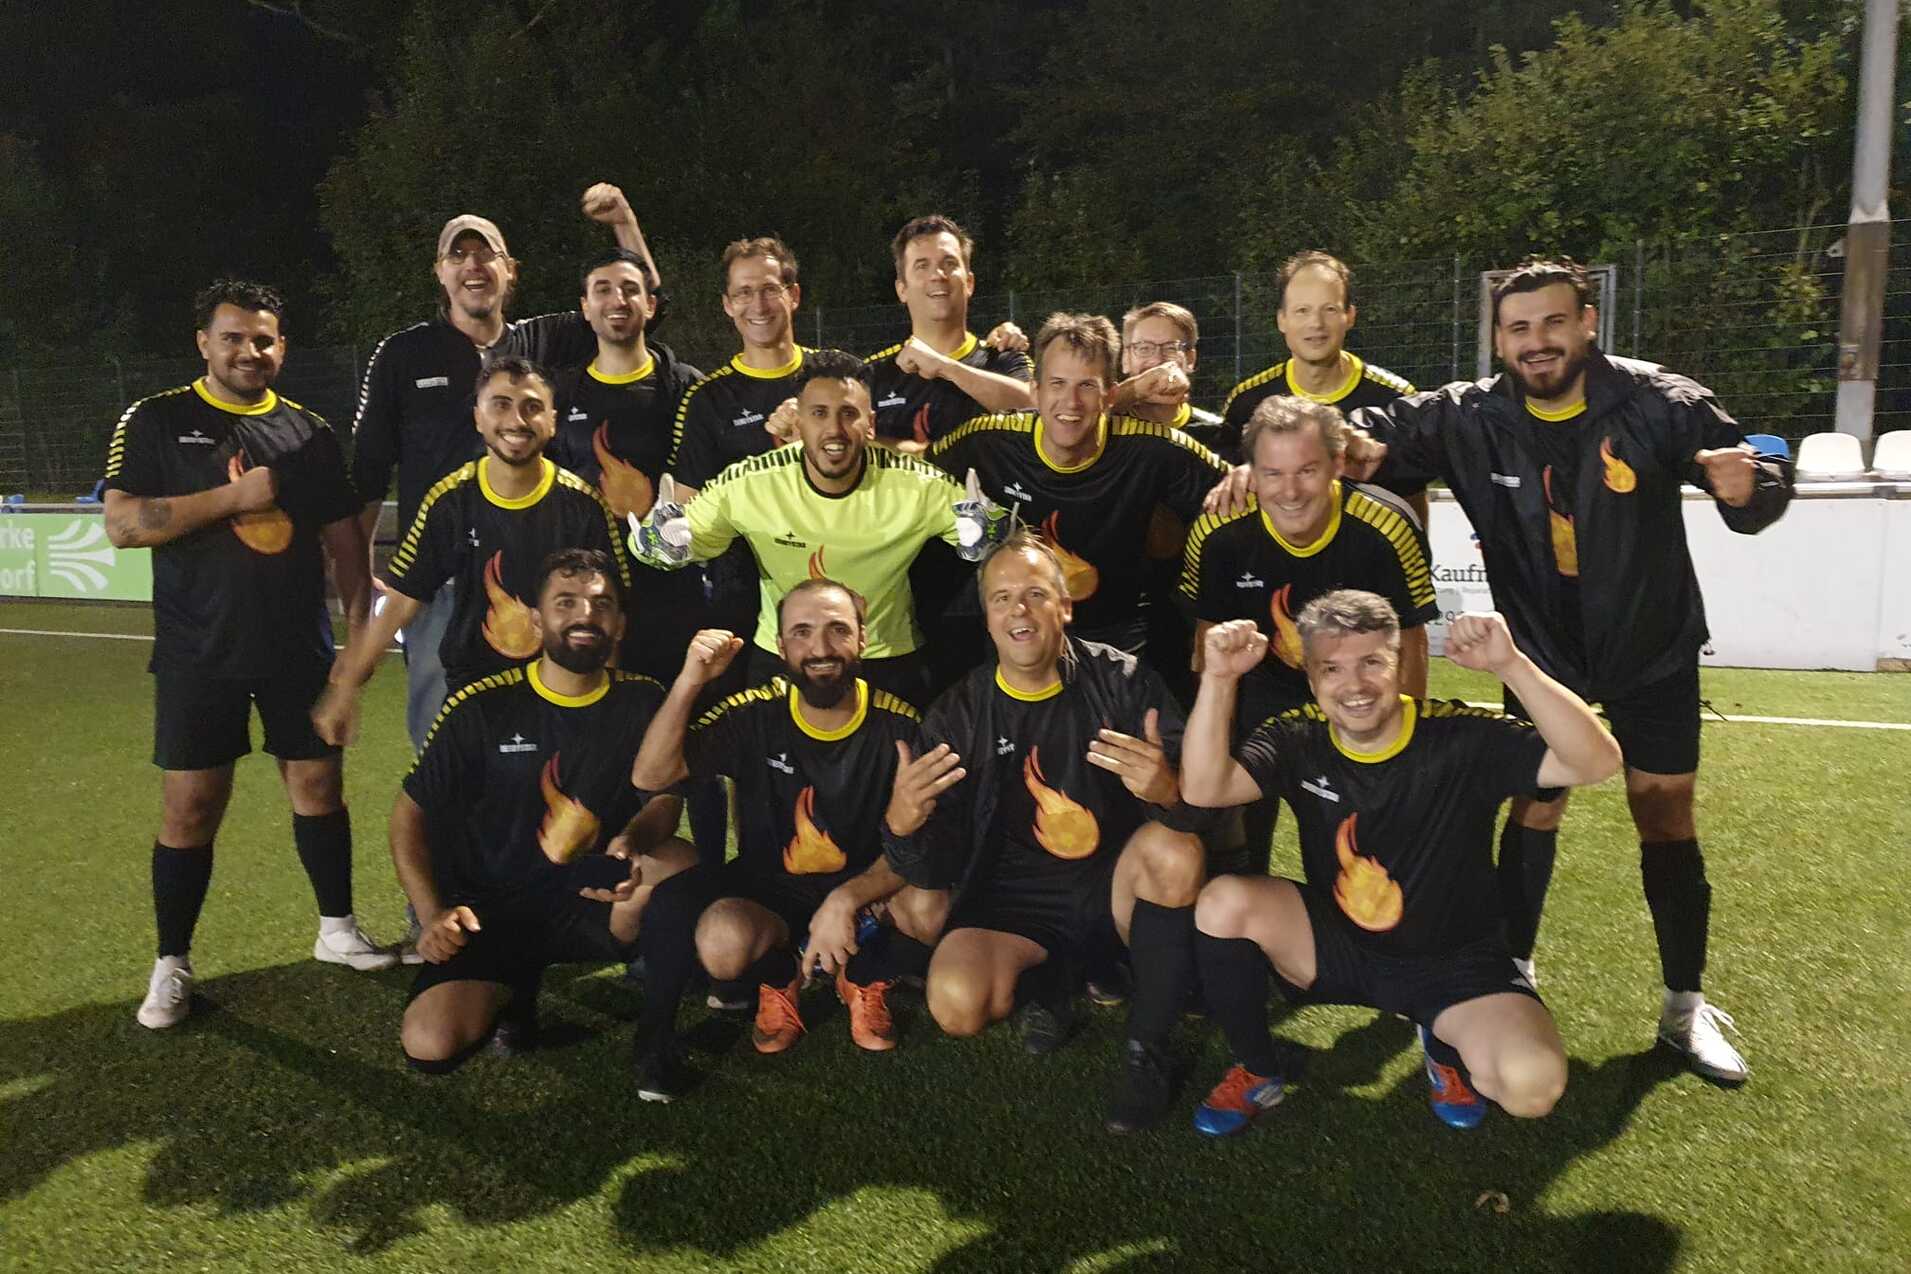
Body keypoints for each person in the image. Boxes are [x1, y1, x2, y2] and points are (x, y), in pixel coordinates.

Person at [1343, 257, 1794, 1083]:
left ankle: (1683, 1010)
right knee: (1533, 807)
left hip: (1648, 650)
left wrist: (1751, 486)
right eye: (1517, 328)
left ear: (1587, 322)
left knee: (1663, 816)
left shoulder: (1659, 402)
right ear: (1497, 338)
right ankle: (1509, 977)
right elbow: (1361, 433)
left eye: (1552, 323)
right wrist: (1301, 442)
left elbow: (1755, 485)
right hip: (1538, 656)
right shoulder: (1463, 416)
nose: (1536, 342)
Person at [1180, 595, 1621, 1133]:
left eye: (1372, 662)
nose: (1355, 685)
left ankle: (1442, 1040)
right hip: (1339, 946)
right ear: (1312, 678)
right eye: (1333, 669)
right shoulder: (1298, 736)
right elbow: (1205, 789)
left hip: (1453, 962)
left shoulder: (1457, 736)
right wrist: (1220, 678)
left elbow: (1596, 760)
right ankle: (1257, 1067)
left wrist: (1511, 664)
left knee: (1532, 1086)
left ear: (1400, 663)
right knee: (1222, 903)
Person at [102, 279, 391, 1030]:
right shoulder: (158, 419)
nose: (249, 351)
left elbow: (347, 553)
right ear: (204, 342)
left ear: (281, 347)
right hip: (200, 654)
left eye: (263, 339)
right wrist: (233, 499)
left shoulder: (311, 434)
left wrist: (352, 661)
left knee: (319, 791)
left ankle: (337, 930)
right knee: (191, 808)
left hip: (300, 653)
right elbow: (124, 525)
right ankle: (172, 961)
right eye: (232, 337)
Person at [883, 531, 1214, 1134]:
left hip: (1112, 885)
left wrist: (1169, 789)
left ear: (1065, 606)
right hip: (1009, 899)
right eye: (1003, 597)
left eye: (1036, 593)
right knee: (955, 1005)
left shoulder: (1125, 681)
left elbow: (1200, 811)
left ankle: (1149, 1049)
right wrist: (902, 825)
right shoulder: (957, 713)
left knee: (1176, 850)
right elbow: (930, 872)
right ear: (986, 617)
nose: (1019, 610)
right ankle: (1055, 981)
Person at [349, 186, 654, 752]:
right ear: (440, 273)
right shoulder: (402, 355)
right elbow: (367, 476)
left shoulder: (547, 339)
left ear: (509, 270)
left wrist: (624, 225)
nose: (473, 265)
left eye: (485, 253)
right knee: (445, 735)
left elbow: (634, 310)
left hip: (541, 573)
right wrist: (356, 580)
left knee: (552, 732)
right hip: (439, 581)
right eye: (458, 255)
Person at [392, 549, 699, 1098]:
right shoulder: (481, 706)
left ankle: (656, 1040)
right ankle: (514, 992)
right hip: (489, 910)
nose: (586, 614)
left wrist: (636, 839)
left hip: (591, 897)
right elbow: (409, 814)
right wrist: (431, 912)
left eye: (601, 604)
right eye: (566, 603)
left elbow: (663, 798)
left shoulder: (642, 698)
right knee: (429, 1041)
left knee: (678, 862)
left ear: (619, 623)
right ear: (536, 620)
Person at [629, 580, 947, 1067]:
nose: (820, 648)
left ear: (863, 639)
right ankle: (781, 978)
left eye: (837, 629)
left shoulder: (900, 726)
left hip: (866, 895)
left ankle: (863, 975)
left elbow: (918, 849)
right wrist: (691, 680)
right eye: (802, 632)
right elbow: (651, 774)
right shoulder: (754, 714)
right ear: (780, 646)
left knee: (933, 906)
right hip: (770, 892)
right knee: (721, 942)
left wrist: (848, 899)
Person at [630, 350, 999, 706]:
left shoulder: (919, 485)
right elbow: (660, 546)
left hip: (886, 660)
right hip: (784, 660)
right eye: (819, 414)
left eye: (848, 414)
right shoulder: (749, 483)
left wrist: (985, 534)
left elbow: (991, 539)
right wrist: (661, 541)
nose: (834, 430)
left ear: (870, 424)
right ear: (799, 421)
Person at [313, 356, 629, 746]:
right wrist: (346, 689)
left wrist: (606, 707)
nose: (516, 421)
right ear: (478, 418)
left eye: (532, 407)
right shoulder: (450, 500)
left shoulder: (581, 506)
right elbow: (402, 601)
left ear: (552, 421)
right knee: (439, 805)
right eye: (501, 405)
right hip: (472, 699)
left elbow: (609, 615)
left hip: (559, 696)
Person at [1181, 395, 1435, 870]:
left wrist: (1405, 751)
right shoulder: (1219, 531)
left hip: (1357, 695)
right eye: (1273, 474)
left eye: (1307, 470)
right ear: (1250, 471)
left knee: (1362, 849)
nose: (1291, 491)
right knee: (1231, 843)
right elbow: (1205, 648)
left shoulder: (1386, 526)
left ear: (1339, 464)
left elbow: (1412, 642)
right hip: (1260, 695)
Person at [930, 313, 1229, 656]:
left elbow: (1244, 499)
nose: (1070, 403)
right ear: (1035, 391)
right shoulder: (986, 440)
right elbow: (916, 471)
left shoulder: (1158, 449)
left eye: (1086, 386)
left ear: (1110, 396)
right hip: (1017, 634)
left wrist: (1249, 476)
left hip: (1120, 639)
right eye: (1057, 384)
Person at [1217, 251, 1421, 521]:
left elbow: (1413, 505)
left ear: (1349, 316)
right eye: (1302, 310)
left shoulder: (1397, 401)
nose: (1316, 323)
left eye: (1330, 309)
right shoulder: (1246, 401)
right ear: (1282, 319)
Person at [863, 214, 1035, 448]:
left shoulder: (1004, 359)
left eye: (950, 263)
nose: (938, 275)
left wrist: (945, 367)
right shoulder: (872, 376)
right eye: (922, 266)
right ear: (901, 289)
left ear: (970, 283)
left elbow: (1041, 410)